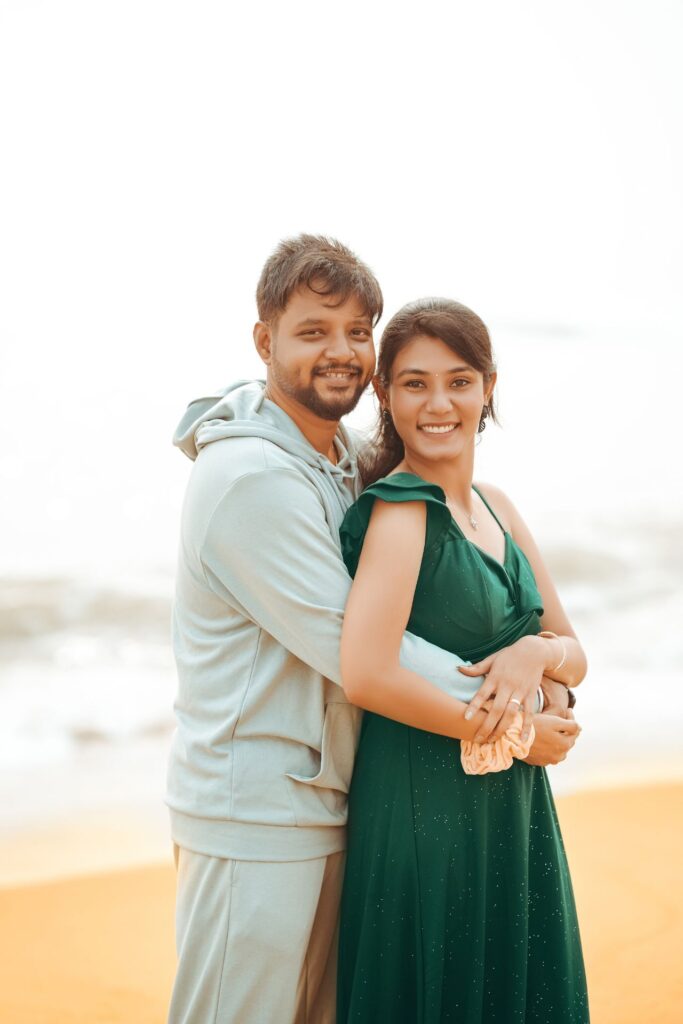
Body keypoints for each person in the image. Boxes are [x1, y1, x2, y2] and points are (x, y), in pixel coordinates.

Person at [166, 236, 577, 1024]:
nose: (342, 352)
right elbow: (362, 650)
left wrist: (541, 656)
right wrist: (514, 715)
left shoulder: (339, 459)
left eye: (358, 331)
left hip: (334, 796)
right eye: (314, 330)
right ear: (264, 341)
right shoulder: (250, 480)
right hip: (252, 810)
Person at [336, 297, 589, 1022]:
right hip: (424, 803)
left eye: (457, 380)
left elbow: (572, 654)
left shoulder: (498, 506)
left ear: (488, 388)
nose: (438, 402)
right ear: (384, 395)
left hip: (510, 803)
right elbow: (367, 675)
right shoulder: (400, 512)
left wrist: (530, 652)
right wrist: (513, 732)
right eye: (413, 383)